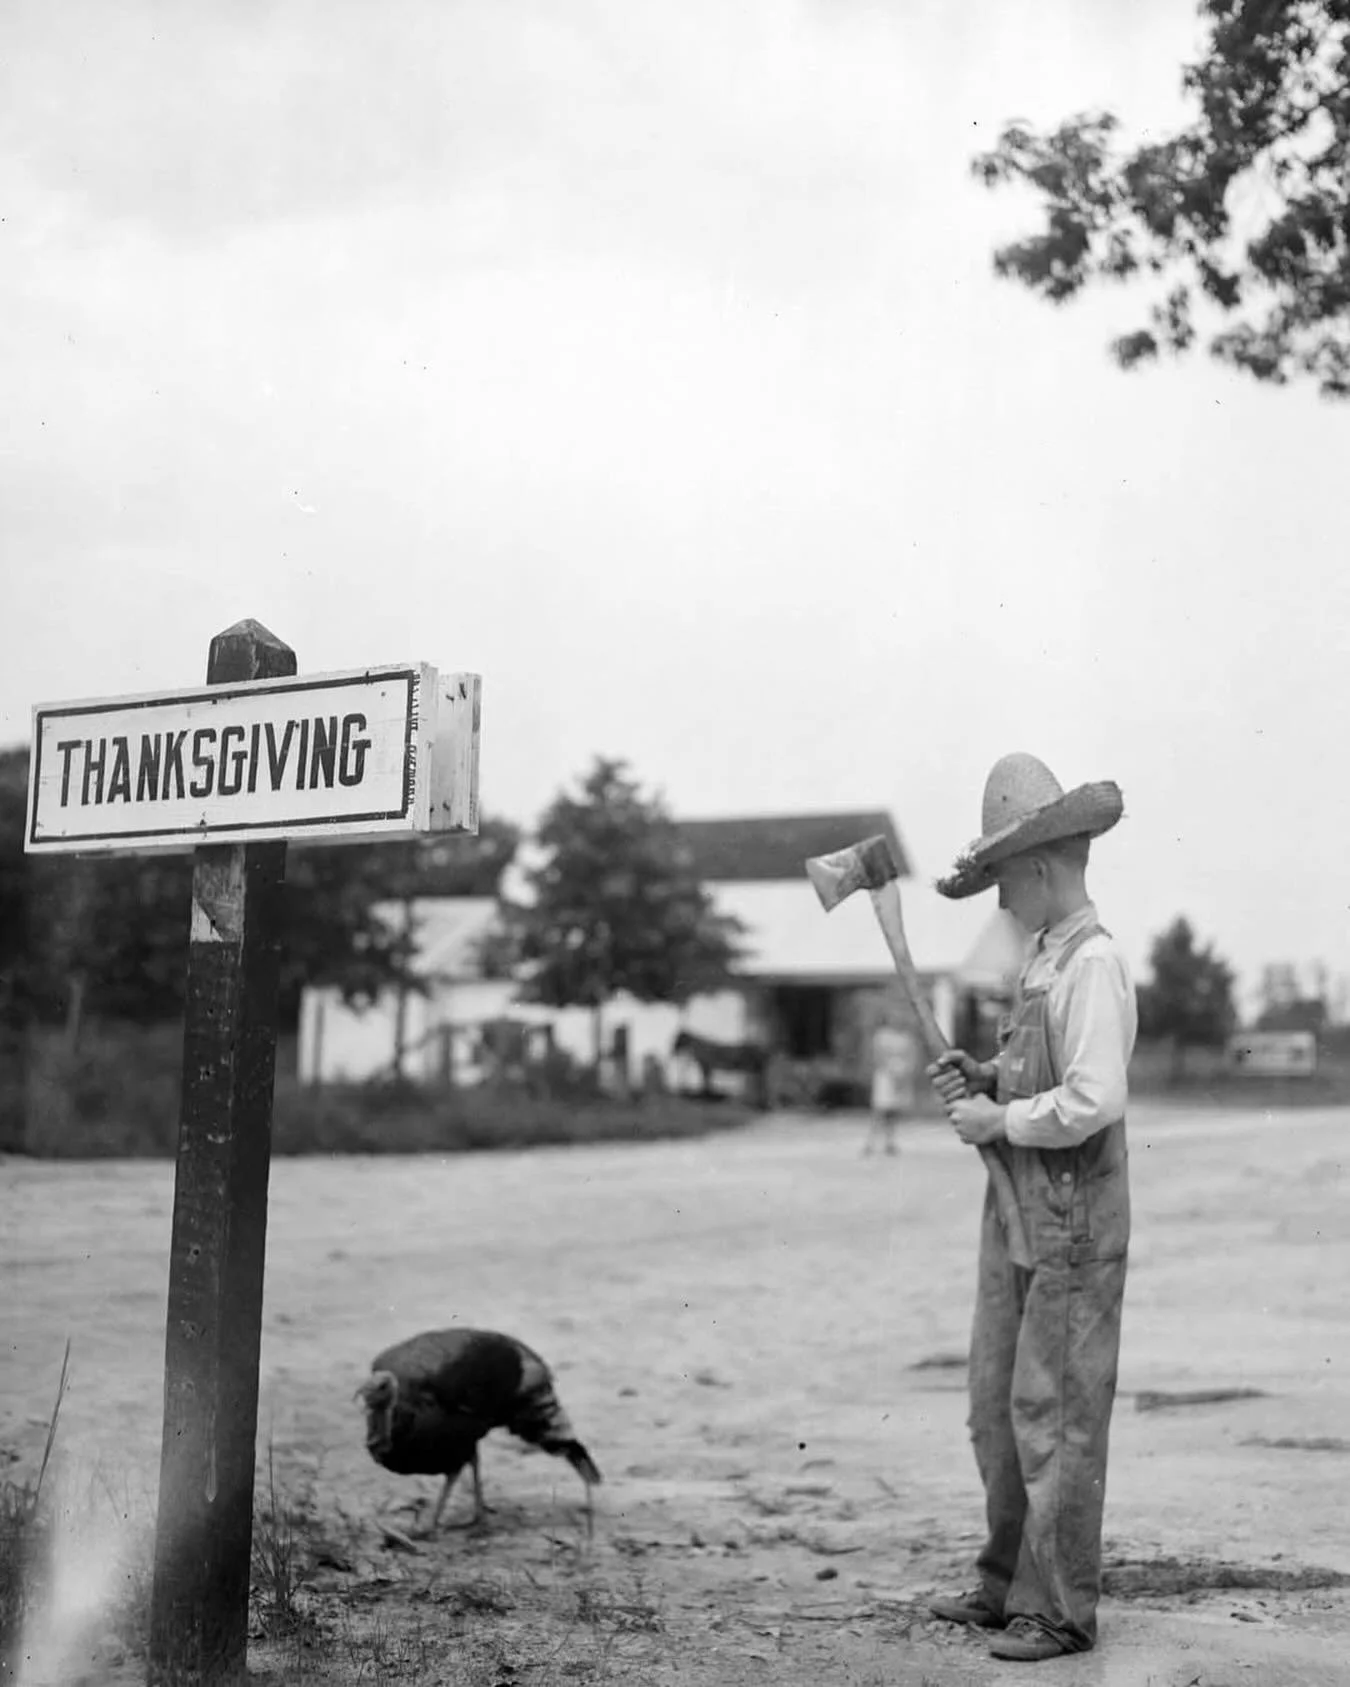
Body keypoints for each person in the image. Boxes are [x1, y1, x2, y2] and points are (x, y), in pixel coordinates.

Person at [924, 752, 1137, 1663]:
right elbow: (1041, 1075)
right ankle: (1007, 1578)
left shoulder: (1094, 966)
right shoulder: (1043, 962)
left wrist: (998, 1114)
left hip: (1072, 1221)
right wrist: (988, 1075)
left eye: (1005, 879)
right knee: (994, 1402)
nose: (1001, 900)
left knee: (1057, 1413)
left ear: (1042, 868)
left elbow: (1094, 1099)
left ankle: (1060, 1610)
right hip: (1013, 1206)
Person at [864, 1014, 919, 1156]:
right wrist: (889, 1070)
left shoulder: (907, 1037)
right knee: (879, 1110)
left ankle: (890, 1142)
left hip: (901, 1075)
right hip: (885, 1075)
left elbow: (912, 1056)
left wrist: (905, 1071)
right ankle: (870, 1142)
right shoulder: (882, 1036)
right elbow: (877, 1055)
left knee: (894, 1111)